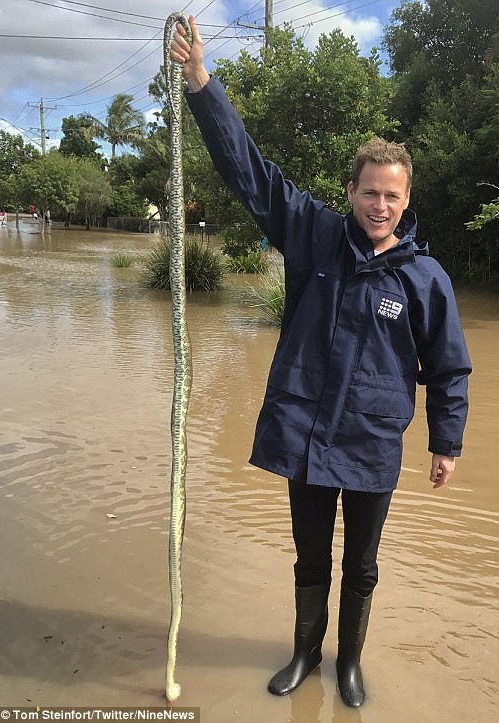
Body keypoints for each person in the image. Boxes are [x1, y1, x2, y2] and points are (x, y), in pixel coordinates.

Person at [170, 17, 471, 708]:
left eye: (393, 195)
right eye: (370, 192)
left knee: (360, 564)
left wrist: (446, 442)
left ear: (406, 200)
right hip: (306, 434)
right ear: (352, 191)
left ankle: (350, 661)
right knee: (310, 556)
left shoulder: (424, 277)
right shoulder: (313, 235)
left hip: (371, 442)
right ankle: (305, 652)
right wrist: (201, 85)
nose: (380, 204)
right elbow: (250, 173)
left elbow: (449, 367)